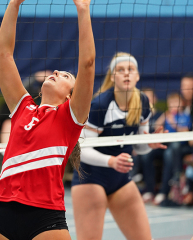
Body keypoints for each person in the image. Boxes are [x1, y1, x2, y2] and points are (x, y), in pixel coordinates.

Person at [0, 0, 95, 239]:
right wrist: (14, 4)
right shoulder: (22, 108)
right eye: (57, 71)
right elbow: (3, 54)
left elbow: (88, 65)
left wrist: (83, 9)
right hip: (4, 211)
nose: (56, 72)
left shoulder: (70, 117)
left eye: (66, 75)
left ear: (71, 95)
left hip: (44, 216)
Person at [71, 52, 167, 240]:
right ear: (113, 76)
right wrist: (111, 161)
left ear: (137, 76)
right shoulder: (100, 105)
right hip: (90, 179)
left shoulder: (142, 102)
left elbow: (139, 147)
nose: (126, 74)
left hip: (120, 179)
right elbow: (81, 150)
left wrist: (149, 144)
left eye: (130, 70)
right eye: (120, 70)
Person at [0, 70, 52, 185]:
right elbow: (5, 107)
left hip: (21, 130)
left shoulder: (41, 99)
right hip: (3, 125)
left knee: (9, 140)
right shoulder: (22, 95)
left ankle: (3, 176)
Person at [141, 92, 191, 205]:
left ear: (181, 103)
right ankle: (150, 190)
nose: (173, 105)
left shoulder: (185, 116)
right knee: (146, 154)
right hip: (166, 144)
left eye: (176, 102)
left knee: (171, 152)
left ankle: (166, 189)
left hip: (180, 146)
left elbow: (186, 131)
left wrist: (174, 123)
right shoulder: (167, 115)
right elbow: (156, 127)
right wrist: (165, 116)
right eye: (171, 103)